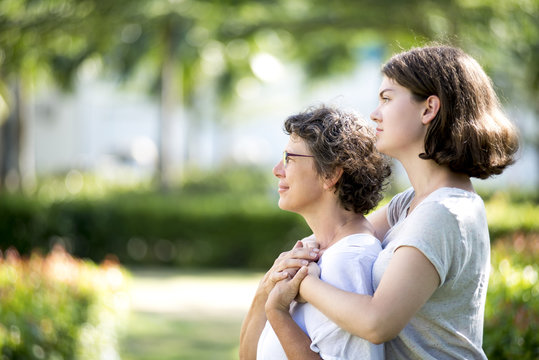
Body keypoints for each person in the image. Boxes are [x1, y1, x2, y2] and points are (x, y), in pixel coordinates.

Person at [270, 45, 520, 359]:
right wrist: (291, 262)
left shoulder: (444, 212)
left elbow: (378, 323)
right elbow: (336, 235)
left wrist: (302, 282)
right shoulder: (410, 204)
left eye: (387, 99)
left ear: (428, 109)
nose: (375, 113)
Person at [239, 105, 391, 359]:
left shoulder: (349, 260)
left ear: (330, 174)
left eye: (290, 158)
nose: (277, 169)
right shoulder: (314, 250)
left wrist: (277, 313)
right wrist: (264, 293)